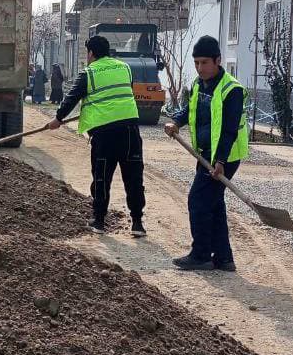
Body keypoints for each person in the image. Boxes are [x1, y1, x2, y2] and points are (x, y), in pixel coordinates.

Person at [164, 34, 250, 272]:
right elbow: (189, 109)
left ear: (218, 60)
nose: (200, 68)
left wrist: (220, 161)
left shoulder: (231, 90)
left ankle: (201, 254)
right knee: (213, 204)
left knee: (198, 201)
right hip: (205, 154)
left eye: (204, 63)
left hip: (225, 157)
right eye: (197, 63)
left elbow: (229, 130)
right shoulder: (198, 85)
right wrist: (177, 122)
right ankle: (224, 258)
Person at [46, 35, 146, 237]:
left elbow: (71, 98)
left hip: (104, 134)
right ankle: (137, 223)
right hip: (130, 131)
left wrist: (58, 118)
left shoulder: (89, 73)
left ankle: (99, 221)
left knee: (101, 177)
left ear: (91, 53)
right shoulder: (124, 68)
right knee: (134, 178)